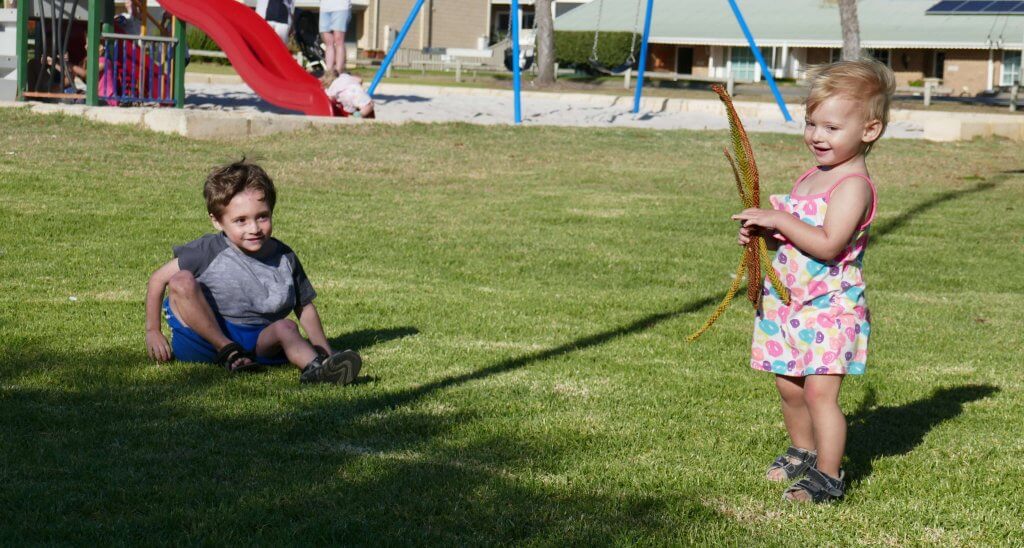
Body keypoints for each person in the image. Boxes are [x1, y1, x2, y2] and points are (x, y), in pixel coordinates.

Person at [732, 58, 895, 503]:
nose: (817, 136)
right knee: (789, 386)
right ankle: (802, 450)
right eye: (811, 124)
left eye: (831, 127)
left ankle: (828, 475)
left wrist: (779, 217)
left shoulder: (852, 186)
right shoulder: (812, 178)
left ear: (869, 131)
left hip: (829, 307)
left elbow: (827, 245)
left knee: (821, 394)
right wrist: (764, 234)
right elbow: (793, 240)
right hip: (788, 303)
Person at [144, 159, 362, 385]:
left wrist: (325, 349)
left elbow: (304, 306)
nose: (254, 228)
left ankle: (319, 368)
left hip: (258, 340)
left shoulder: (284, 257)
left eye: (262, 216)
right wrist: (153, 331)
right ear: (217, 221)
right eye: (241, 220)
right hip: (204, 339)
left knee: (286, 327)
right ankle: (227, 351)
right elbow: (158, 279)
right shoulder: (207, 250)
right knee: (181, 280)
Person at [319, 0, 351, 82]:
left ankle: (338, 72)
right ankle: (328, 73)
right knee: (328, 42)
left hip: (341, 6)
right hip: (324, 7)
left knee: (338, 39)